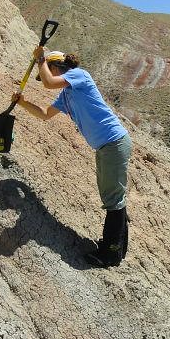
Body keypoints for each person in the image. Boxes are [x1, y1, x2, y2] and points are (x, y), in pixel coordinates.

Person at [14, 48, 132, 266]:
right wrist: (22, 103)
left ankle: (110, 253)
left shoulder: (79, 75)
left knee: (113, 199)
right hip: (106, 146)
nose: (45, 79)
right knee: (113, 196)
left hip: (113, 142)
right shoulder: (66, 95)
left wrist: (40, 58)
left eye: (47, 70)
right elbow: (44, 114)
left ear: (56, 66)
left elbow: (49, 82)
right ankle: (118, 245)